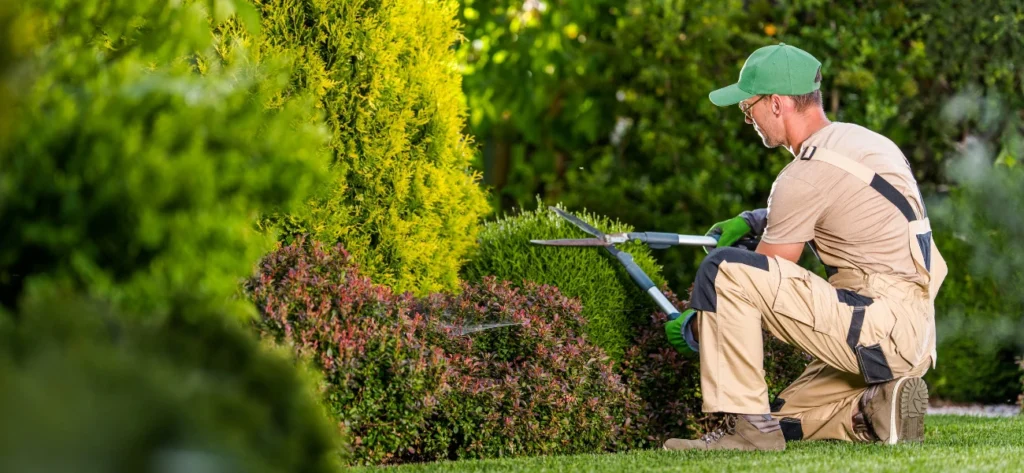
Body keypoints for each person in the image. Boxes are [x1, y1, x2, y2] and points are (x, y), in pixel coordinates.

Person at [661, 43, 948, 451]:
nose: (747, 118)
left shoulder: (804, 174)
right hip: (911, 333)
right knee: (780, 417)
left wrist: (696, 325)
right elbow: (842, 207)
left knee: (723, 270)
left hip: (877, 328)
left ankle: (749, 436)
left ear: (776, 104)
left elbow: (762, 281)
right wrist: (755, 219)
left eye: (749, 107)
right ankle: (872, 409)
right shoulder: (863, 143)